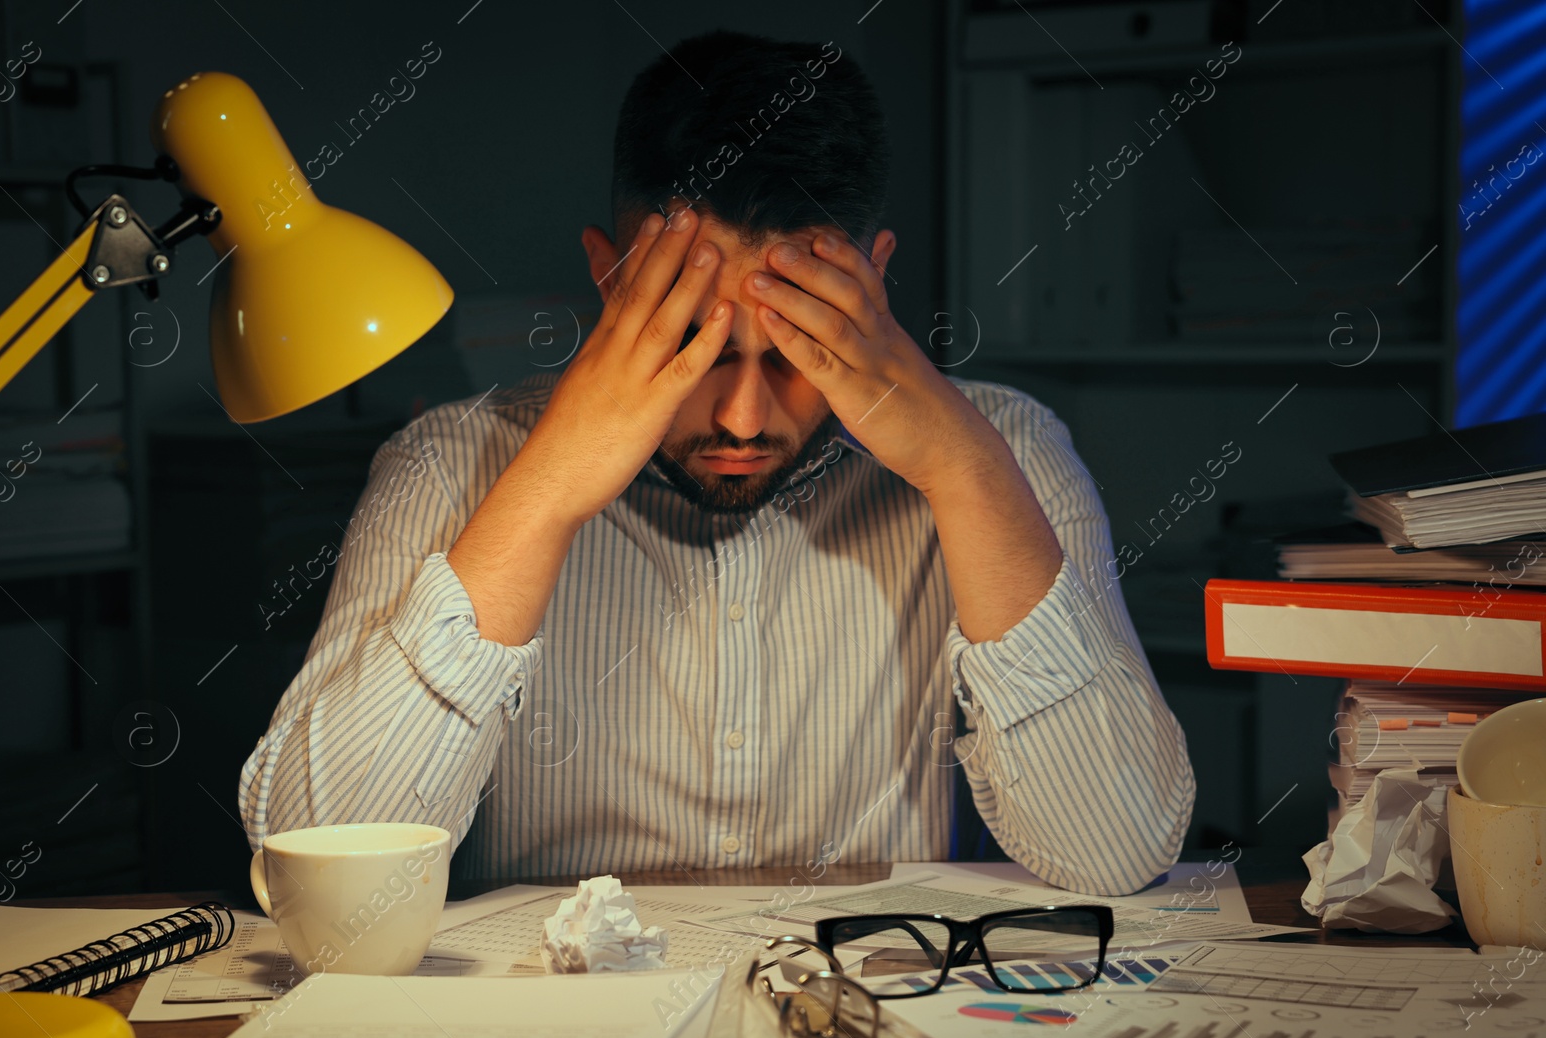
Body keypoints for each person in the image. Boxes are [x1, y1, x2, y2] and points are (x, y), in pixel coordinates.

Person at [239, 29, 1194, 896]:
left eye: (797, 349)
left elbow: (1113, 850)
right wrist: (542, 492)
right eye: (690, 343)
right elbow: (317, 866)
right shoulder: (449, 465)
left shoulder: (1004, 452)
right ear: (608, 275)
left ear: (876, 281)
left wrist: (961, 470)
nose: (741, 415)